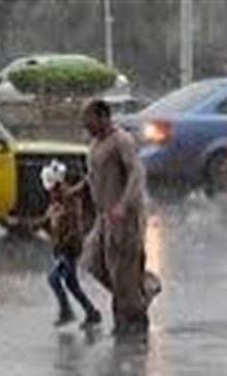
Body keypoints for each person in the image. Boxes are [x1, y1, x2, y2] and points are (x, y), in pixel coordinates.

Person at [79, 99, 161, 335]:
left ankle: (130, 324)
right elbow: (94, 175)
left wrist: (124, 205)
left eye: (88, 118)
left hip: (124, 217)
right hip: (105, 215)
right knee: (94, 262)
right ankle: (143, 287)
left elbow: (137, 173)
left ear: (103, 117)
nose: (85, 124)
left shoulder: (121, 140)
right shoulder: (96, 143)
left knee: (121, 271)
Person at [36, 160, 102, 328]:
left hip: (68, 248)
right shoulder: (57, 200)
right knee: (71, 284)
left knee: (54, 279)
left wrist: (65, 247)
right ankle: (91, 312)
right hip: (62, 247)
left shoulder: (68, 199)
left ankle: (67, 312)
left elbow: (73, 227)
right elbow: (46, 220)